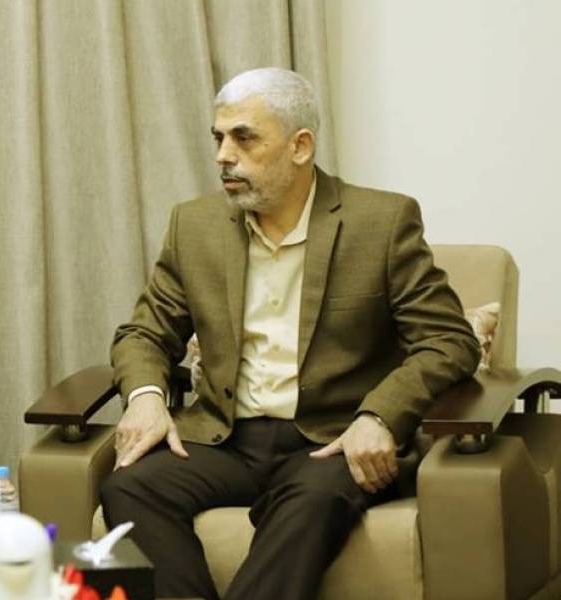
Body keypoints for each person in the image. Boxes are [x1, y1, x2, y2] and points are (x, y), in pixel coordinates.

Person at [101, 68, 480, 600]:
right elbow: (144, 332)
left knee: (312, 500)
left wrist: (378, 416)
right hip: (224, 439)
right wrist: (145, 397)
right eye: (218, 138)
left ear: (300, 146)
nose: (223, 156)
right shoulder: (195, 225)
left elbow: (449, 341)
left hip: (332, 441)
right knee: (130, 486)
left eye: (244, 138)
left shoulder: (381, 222)